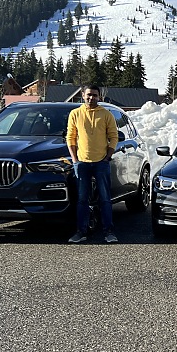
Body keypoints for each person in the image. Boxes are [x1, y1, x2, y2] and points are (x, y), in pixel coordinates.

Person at [66, 85, 119, 244]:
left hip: (101, 163)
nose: (91, 98)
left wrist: (107, 157)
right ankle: (81, 231)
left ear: (99, 97)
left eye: (95, 95)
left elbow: (114, 137)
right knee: (82, 199)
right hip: (82, 163)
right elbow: (71, 138)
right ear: (83, 95)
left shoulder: (106, 114)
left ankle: (108, 231)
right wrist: (75, 160)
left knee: (105, 199)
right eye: (89, 95)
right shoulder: (75, 114)